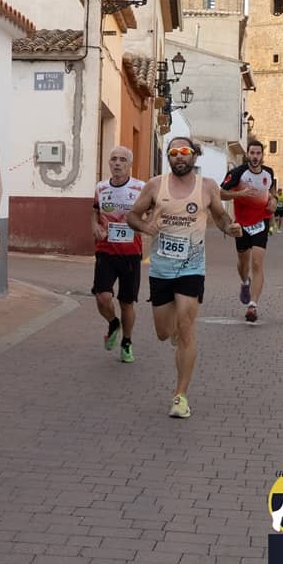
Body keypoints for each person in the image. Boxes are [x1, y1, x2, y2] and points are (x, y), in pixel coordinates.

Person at [126, 137, 242, 419]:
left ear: (194, 156)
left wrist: (230, 228)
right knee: (163, 332)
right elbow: (132, 216)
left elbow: (220, 217)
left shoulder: (208, 187)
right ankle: (174, 331)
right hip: (161, 268)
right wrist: (145, 226)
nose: (179, 156)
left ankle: (180, 396)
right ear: (168, 157)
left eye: (185, 151)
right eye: (174, 152)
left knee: (187, 327)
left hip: (192, 268)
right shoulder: (155, 185)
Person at [91, 146, 145, 364]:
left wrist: (144, 225)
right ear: (109, 163)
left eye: (122, 159)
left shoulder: (140, 187)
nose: (117, 163)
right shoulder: (101, 187)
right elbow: (95, 211)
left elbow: (152, 212)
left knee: (126, 302)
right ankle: (114, 323)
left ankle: (126, 342)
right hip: (106, 250)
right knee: (102, 297)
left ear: (129, 164)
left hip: (131, 253)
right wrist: (95, 226)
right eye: (114, 159)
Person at [220, 141, 276, 323]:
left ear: (262, 155)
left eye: (258, 153)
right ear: (248, 154)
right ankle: (245, 282)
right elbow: (220, 193)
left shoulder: (269, 172)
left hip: (261, 222)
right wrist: (239, 194)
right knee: (243, 264)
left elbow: (272, 192)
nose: (255, 157)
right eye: (252, 153)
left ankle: (253, 306)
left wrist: (274, 202)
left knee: (257, 263)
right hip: (242, 224)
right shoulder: (238, 173)